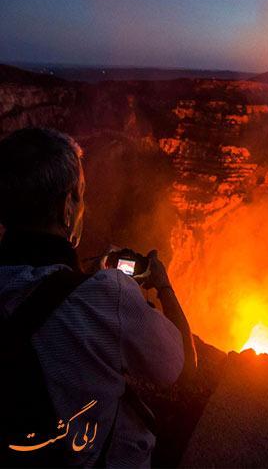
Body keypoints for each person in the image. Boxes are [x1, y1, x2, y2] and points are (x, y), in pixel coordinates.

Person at [0, 127, 196, 467]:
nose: (83, 207)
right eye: (81, 194)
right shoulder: (107, 296)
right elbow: (182, 368)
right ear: (66, 207)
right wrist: (162, 284)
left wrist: (76, 283)